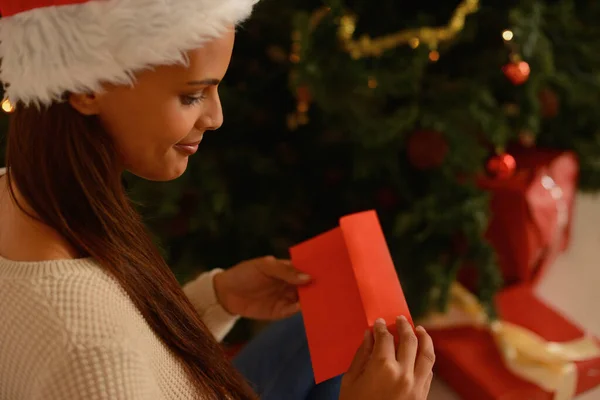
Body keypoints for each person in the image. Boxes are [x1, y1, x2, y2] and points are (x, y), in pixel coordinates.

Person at [0, 0, 435, 399]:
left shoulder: (22, 190)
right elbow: (105, 357)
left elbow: (136, 356)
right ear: (86, 87)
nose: (215, 117)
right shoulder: (90, 355)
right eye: (192, 95)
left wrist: (216, 298)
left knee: (342, 329)